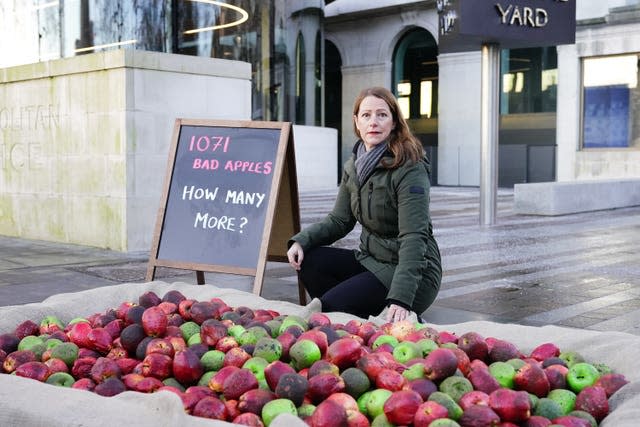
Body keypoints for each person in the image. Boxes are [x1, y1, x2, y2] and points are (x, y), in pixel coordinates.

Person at [287, 86, 442, 323]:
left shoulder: (410, 166)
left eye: (382, 115)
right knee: (311, 260)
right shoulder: (355, 165)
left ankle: (385, 310)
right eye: (366, 115)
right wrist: (301, 240)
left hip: (413, 273)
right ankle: (363, 310)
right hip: (371, 261)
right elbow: (339, 221)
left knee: (330, 307)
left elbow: (414, 236)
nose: (374, 122)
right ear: (356, 122)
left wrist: (401, 297)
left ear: (394, 122)